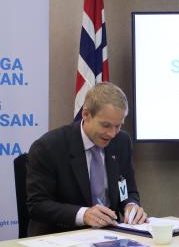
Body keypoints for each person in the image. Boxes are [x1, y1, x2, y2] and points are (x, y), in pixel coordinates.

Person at [26, 82, 148, 236]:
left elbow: (127, 189)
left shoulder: (121, 142)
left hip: (109, 235)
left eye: (118, 126)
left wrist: (130, 205)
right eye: (106, 125)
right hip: (62, 235)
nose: (112, 134)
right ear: (86, 115)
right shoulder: (48, 147)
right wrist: (84, 215)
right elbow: (38, 205)